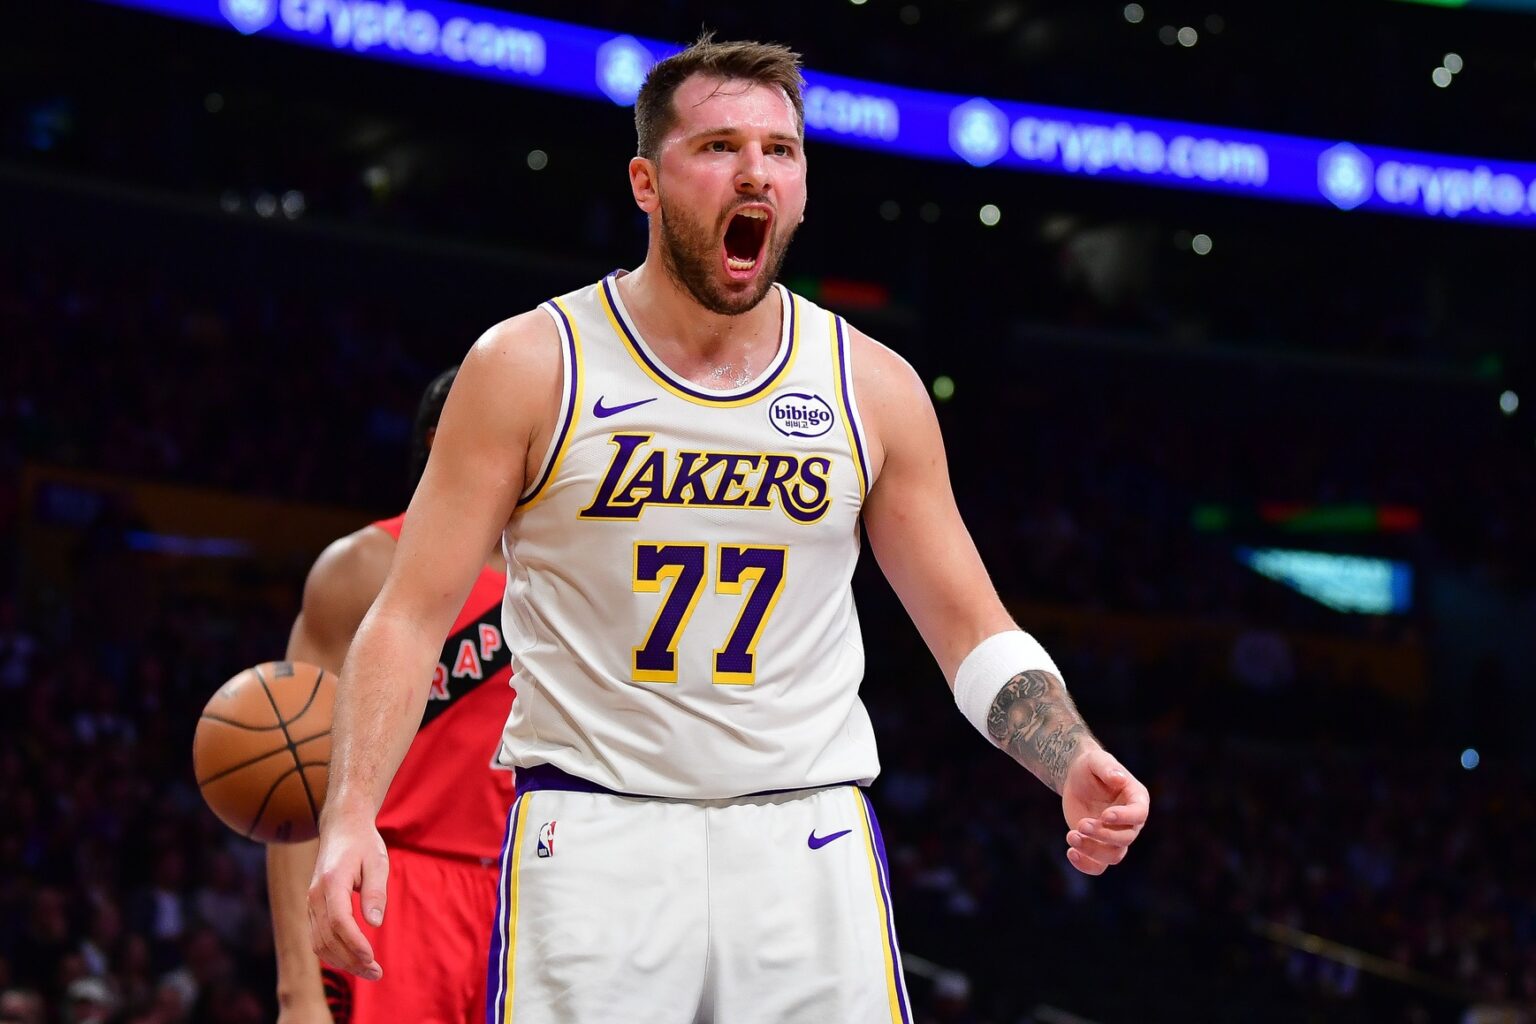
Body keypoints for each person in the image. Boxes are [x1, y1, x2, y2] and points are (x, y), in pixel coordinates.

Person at [309, 34, 1151, 1024]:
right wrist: (352, 811)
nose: (754, 169)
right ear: (645, 181)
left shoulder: (870, 385)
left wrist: (1069, 751)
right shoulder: (529, 362)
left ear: (800, 188)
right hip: (594, 831)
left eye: (781, 151)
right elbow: (409, 615)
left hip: (805, 838)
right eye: (716, 146)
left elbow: (969, 626)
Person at [268, 368, 515, 1023]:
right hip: (397, 895)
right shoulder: (362, 569)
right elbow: (290, 787)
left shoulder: (574, 577)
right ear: (444, 438)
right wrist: (299, 991)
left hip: (537, 890)